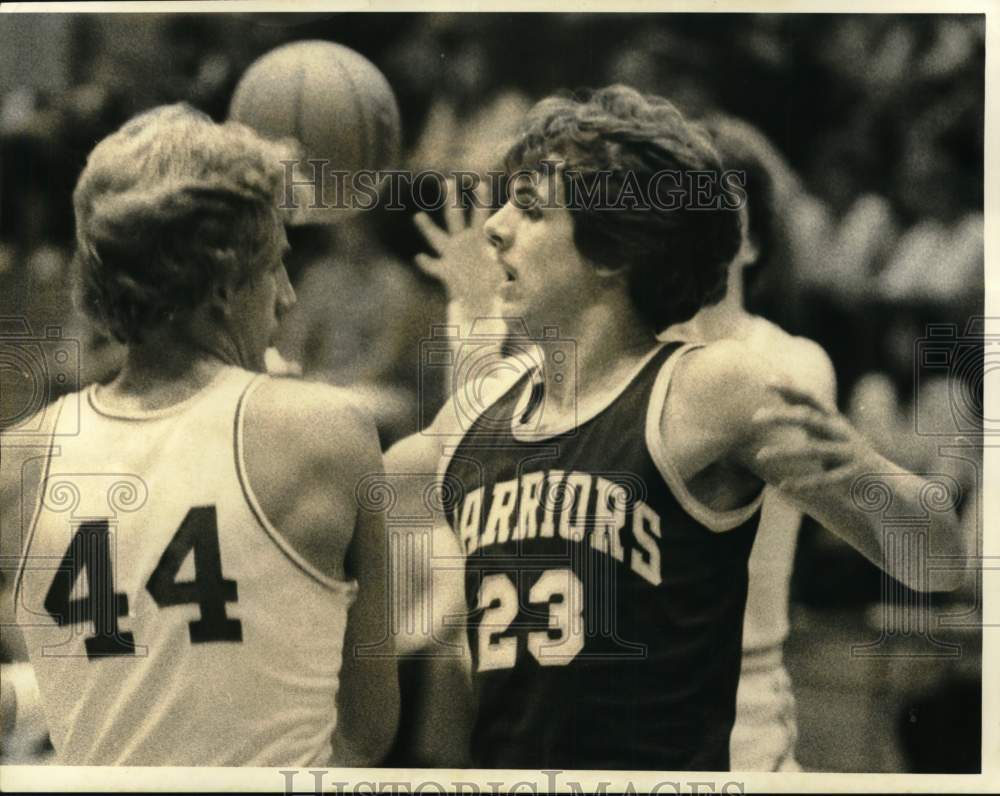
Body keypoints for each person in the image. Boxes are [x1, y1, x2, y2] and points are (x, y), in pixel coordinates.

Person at [385, 85, 965, 771]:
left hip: (725, 740)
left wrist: (867, 479)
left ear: (613, 250)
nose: (494, 227)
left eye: (531, 208)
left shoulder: (717, 386)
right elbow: (363, 502)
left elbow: (935, 563)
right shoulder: (485, 406)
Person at [0, 104, 398, 767]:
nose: (289, 296)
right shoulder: (330, 431)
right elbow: (368, 728)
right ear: (223, 280)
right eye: (276, 263)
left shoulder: (17, 464)